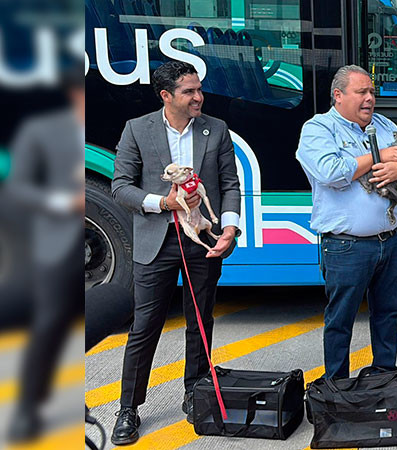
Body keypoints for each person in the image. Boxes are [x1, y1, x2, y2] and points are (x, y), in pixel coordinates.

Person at [110, 61, 240, 445]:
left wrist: (228, 227)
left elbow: (229, 184)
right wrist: (163, 203)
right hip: (157, 240)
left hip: (202, 239)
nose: (198, 97)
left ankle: (195, 393)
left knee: (200, 320)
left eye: (199, 89)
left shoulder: (214, 129)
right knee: (144, 326)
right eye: (189, 91)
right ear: (166, 96)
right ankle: (129, 408)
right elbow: (120, 187)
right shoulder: (138, 128)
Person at [296, 65, 397, 379]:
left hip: (391, 241)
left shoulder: (386, 126)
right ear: (338, 95)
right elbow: (330, 173)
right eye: (362, 92)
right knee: (340, 321)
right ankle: (337, 387)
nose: (370, 98)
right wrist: (380, 157)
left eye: (372, 92)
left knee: (387, 316)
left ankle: (384, 379)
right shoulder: (319, 129)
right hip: (346, 246)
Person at [3, 65, 84, 443]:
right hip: (50, 241)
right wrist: (64, 201)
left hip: (128, 240)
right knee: (49, 321)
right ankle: (28, 408)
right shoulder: (41, 131)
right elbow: (16, 189)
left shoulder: (129, 130)